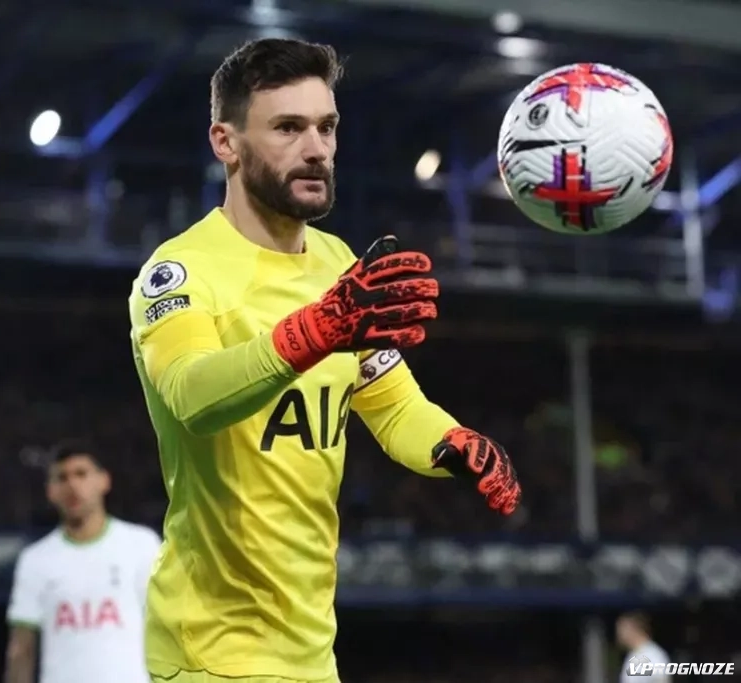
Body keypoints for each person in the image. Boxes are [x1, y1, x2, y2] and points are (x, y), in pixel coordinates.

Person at [127, 37, 522, 683]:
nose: (316, 149)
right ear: (226, 143)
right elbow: (192, 396)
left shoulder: (339, 264)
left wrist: (451, 443)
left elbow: (394, 406)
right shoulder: (180, 271)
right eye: (288, 128)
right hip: (210, 652)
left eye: (327, 127)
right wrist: (316, 330)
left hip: (311, 652)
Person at [5, 442, 161, 683]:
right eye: (62, 477)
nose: (72, 485)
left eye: (81, 474)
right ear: (50, 491)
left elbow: (164, 625)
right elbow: (21, 648)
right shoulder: (35, 560)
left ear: (104, 480)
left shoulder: (141, 544)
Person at [617, 612, 671, 682]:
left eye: (622, 629)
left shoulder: (653, 655)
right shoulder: (633, 654)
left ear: (634, 629)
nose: (619, 635)